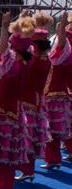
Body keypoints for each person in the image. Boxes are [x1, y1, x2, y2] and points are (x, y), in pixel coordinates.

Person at [0, 13, 32, 189]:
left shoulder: (10, 64)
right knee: (8, 154)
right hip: (15, 113)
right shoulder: (28, 63)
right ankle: (5, 186)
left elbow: (2, 49)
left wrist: (4, 27)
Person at [16, 12, 53, 180]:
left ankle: (26, 170)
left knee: (25, 137)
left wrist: (21, 24)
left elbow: (18, 47)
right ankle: (28, 170)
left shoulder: (33, 61)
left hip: (26, 100)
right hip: (38, 101)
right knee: (31, 137)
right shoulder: (48, 61)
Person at [42, 12, 70, 168]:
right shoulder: (51, 59)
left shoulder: (59, 56)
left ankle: (53, 159)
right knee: (52, 131)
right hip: (52, 96)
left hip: (55, 97)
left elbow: (61, 42)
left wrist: (63, 28)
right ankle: (54, 159)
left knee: (52, 130)